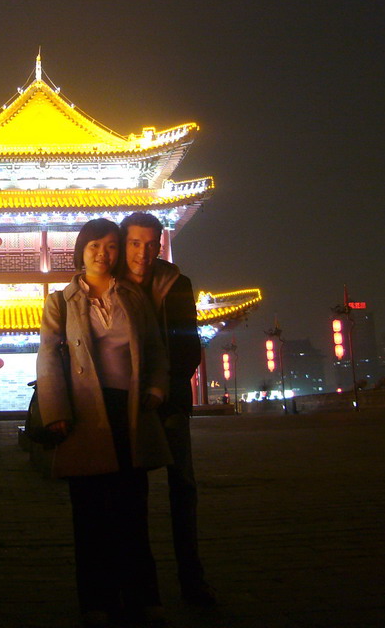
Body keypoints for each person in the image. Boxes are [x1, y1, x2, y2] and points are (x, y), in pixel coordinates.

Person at [36, 218, 172, 627]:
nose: (103, 253)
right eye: (95, 245)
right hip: (84, 412)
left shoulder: (133, 295)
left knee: (133, 507)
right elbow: (46, 357)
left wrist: (157, 388)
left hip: (129, 410)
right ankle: (96, 600)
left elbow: (155, 348)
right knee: (90, 511)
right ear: (81, 249)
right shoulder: (61, 300)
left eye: (111, 246)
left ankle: (141, 596)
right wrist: (56, 411)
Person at [120, 212, 216, 607]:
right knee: (131, 494)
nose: (143, 253)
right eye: (134, 243)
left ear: (160, 244)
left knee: (183, 489)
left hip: (171, 402)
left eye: (150, 244)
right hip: (126, 406)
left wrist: (168, 391)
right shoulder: (109, 285)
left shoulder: (177, 285)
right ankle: (142, 585)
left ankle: (192, 577)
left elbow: (188, 344)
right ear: (123, 244)